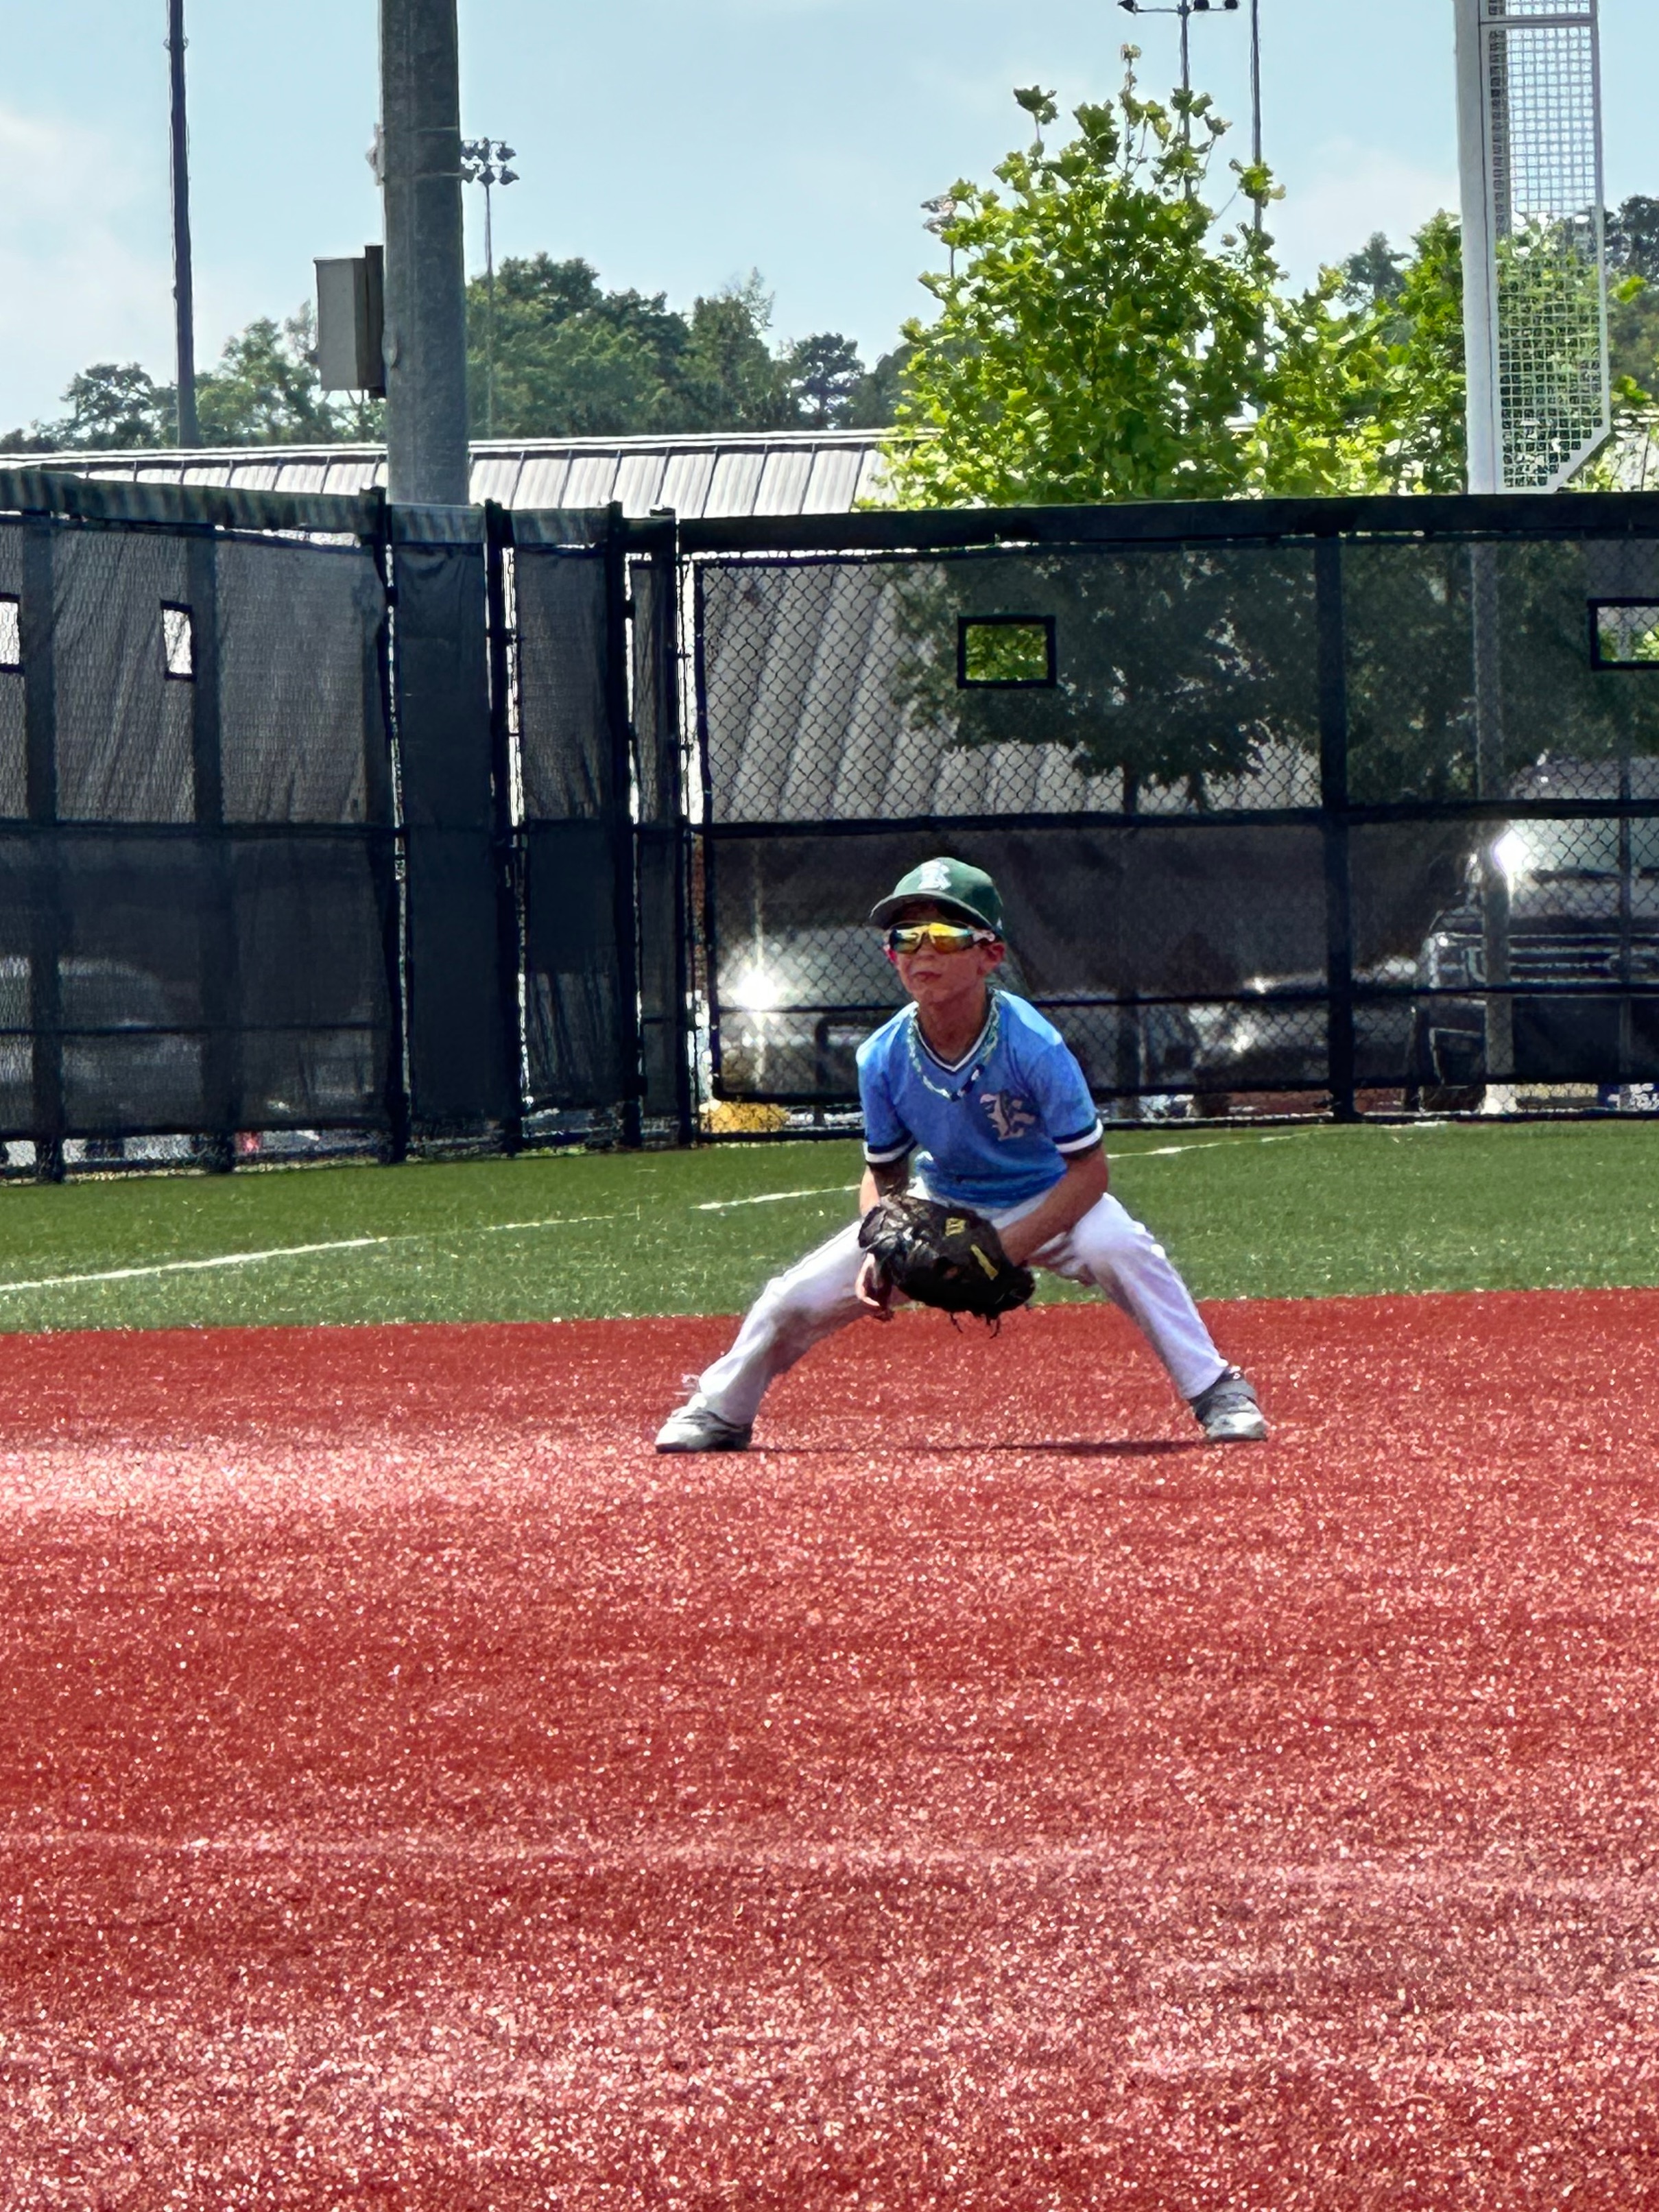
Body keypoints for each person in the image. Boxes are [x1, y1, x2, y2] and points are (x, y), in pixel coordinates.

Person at [656, 857, 1267, 1451]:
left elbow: (1090, 1171)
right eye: (907, 936)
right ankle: (720, 1409)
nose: (924, 951)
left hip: (1050, 1197)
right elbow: (883, 1172)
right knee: (791, 1299)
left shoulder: (1034, 1045)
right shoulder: (882, 1055)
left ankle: (1216, 1388)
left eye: (946, 935)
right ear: (891, 955)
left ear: (989, 955)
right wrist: (885, 1243)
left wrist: (1002, 1249)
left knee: (1121, 1246)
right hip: (942, 1201)